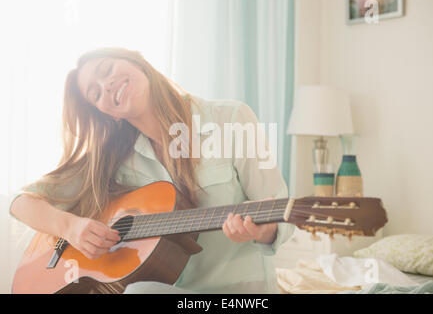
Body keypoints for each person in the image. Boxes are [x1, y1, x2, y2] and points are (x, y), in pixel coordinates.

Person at [9, 47, 295, 294]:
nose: (106, 86)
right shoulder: (114, 160)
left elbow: (285, 218)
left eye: (107, 69)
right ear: (109, 114)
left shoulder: (232, 119)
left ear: (136, 61)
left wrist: (264, 231)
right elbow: (21, 202)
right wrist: (72, 227)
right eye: (96, 94)